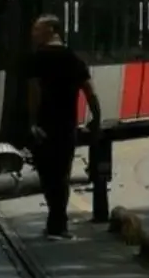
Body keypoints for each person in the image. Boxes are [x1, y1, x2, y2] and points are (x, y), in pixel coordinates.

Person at [26, 14, 101, 241]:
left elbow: (34, 92)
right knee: (62, 174)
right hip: (67, 126)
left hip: (44, 126)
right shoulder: (73, 58)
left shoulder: (37, 59)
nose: (33, 34)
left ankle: (56, 223)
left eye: (37, 30)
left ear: (51, 30)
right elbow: (90, 90)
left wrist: (32, 122)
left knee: (48, 175)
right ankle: (57, 223)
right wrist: (96, 117)